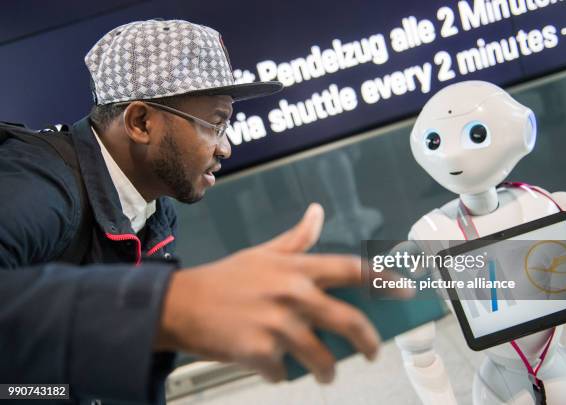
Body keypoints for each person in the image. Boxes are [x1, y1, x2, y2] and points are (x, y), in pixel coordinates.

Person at [0, 19, 381, 404]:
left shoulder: (155, 206)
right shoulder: (37, 188)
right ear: (141, 122)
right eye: (215, 124)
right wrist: (167, 304)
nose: (226, 148)